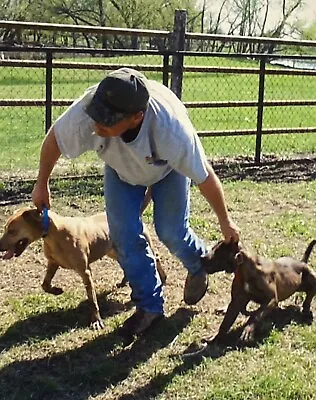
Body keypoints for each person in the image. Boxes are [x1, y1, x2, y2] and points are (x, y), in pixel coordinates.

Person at [32, 67, 240, 339]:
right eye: (97, 116)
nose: (96, 124)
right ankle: (150, 307)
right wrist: (42, 182)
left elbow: (205, 177)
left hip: (167, 170)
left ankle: (199, 264)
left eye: (106, 121)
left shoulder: (170, 130)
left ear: (136, 117)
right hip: (121, 171)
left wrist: (225, 221)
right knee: (123, 235)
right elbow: (55, 140)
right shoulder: (88, 109)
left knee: (171, 231)